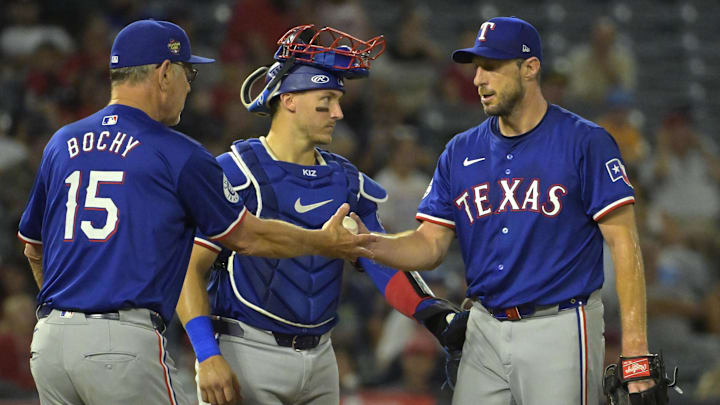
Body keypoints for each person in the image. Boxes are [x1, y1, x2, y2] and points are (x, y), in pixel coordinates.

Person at [16, 19, 374, 405]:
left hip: (50, 343)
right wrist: (323, 241)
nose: (190, 85)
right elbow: (249, 237)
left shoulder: (62, 142)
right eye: (188, 72)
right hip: (119, 345)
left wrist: (71, 317)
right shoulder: (177, 152)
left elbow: (33, 248)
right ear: (164, 73)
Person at [360, 16, 659, 404]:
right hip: (483, 328)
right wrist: (363, 244)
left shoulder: (585, 142)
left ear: (530, 67)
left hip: (561, 325)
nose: (478, 79)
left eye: (492, 66)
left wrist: (635, 349)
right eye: (476, 67)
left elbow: (624, 242)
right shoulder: (460, 151)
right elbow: (429, 246)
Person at [175, 24, 461, 405]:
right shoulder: (235, 171)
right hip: (247, 350)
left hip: (323, 357)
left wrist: (433, 315)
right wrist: (206, 354)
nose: (338, 112)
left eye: (338, 100)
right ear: (289, 99)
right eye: (325, 100)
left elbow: (379, 259)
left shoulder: (344, 178)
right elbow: (188, 268)